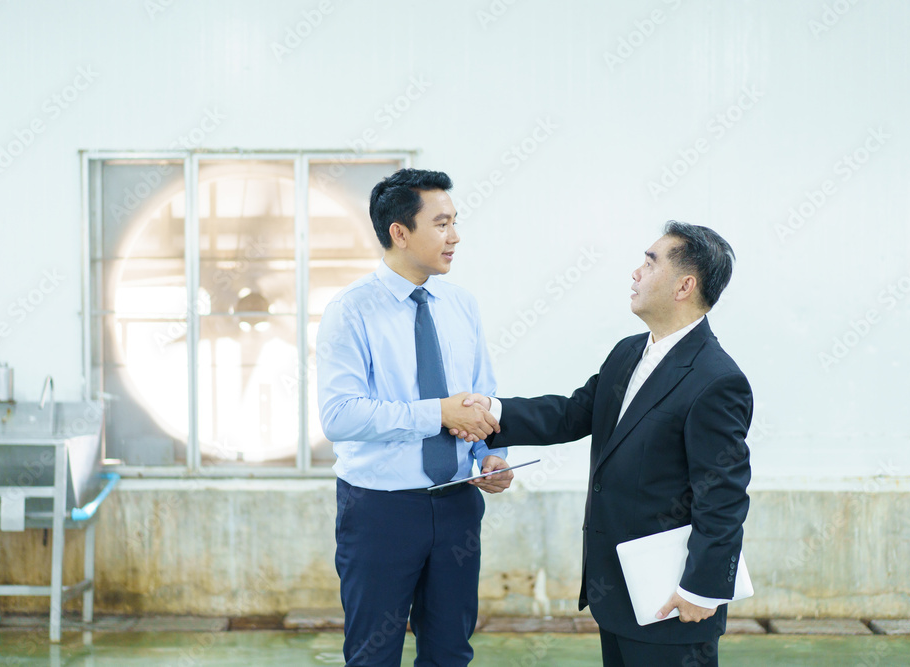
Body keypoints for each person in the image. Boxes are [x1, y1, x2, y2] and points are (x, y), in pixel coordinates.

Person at [455, 222, 752, 667]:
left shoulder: (717, 380)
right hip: (616, 592)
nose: (635, 272)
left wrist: (703, 588)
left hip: (672, 598)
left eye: (650, 262)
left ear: (684, 285)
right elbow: (575, 413)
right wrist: (494, 412)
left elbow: (723, 495)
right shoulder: (629, 351)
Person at [316, 168, 514, 666]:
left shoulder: (460, 305)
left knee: (450, 650)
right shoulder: (351, 311)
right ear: (399, 233)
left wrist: (492, 455)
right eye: (441, 224)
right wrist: (436, 414)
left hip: (457, 503)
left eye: (454, 222)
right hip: (380, 509)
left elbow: (484, 394)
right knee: (373, 653)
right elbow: (339, 416)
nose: (455, 236)